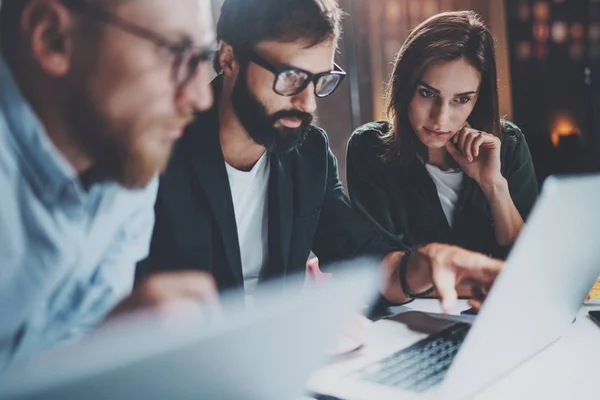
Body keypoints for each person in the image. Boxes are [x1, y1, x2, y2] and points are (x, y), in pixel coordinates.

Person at [137, 0, 503, 315]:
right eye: (291, 77)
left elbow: (359, 253)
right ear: (229, 58)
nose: (308, 103)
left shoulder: (308, 151)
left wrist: (424, 264)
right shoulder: (155, 148)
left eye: (320, 80)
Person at [0, 0, 218, 369]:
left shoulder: (124, 157)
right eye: (175, 52)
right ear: (53, 39)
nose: (201, 97)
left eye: (203, 57)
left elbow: (69, 357)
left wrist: (110, 346)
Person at [347, 11, 538, 268]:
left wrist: (494, 186)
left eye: (461, 99)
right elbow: (380, 268)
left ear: (478, 99)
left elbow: (531, 264)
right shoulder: (371, 148)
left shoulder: (508, 145)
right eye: (427, 93)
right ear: (406, 87)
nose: (440, 118)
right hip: (412, 309)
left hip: (497, 307)